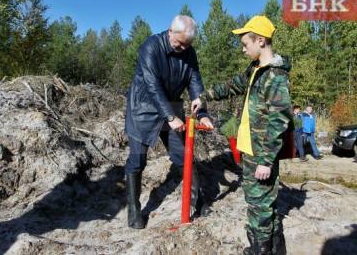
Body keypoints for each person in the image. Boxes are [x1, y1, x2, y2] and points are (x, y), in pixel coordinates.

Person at [206, 16, 291, 254]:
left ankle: (260, 250)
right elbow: (232, 85)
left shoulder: (274, 76)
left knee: (259, 205)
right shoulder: (256, 70)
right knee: (264, 204)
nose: (243, 49)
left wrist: (266, 160)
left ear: (261, 41)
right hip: (251, 149)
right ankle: (275, 248)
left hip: (261, 152)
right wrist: (203, 97)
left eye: (246, 43)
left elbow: (279, 120)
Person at [124, 15, 213, 229]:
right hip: (143, 108)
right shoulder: (150, 47)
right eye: (179, 43)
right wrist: (170, 117)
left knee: (184, 155)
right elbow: (152, 85)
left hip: (171, 105)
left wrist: (203, 113)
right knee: (138, 160)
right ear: (170, 32)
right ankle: (134, 210)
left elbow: (195, 83)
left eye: (187, 45)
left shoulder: (189, 52)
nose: (182, 48)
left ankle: (196, 200)